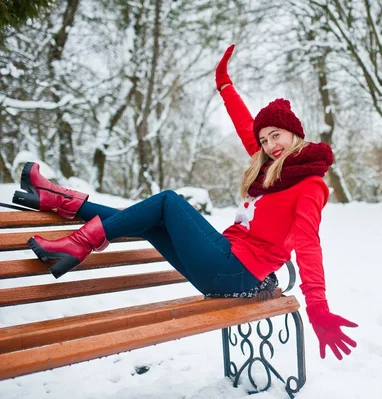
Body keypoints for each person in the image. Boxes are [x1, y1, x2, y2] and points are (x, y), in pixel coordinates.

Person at [13, 44, 357, 361]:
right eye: (264, 139)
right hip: (224, 267)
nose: (269, 145)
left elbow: (309, 244)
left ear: (295, 134)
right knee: (150, 221)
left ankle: (79, 244)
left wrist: (319, 308)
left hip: (236, 270)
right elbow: (243, 124)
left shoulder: (309, 184)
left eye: (276, 135)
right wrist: (224, 85)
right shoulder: (269, 170)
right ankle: (55, 199)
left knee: (167, 202)